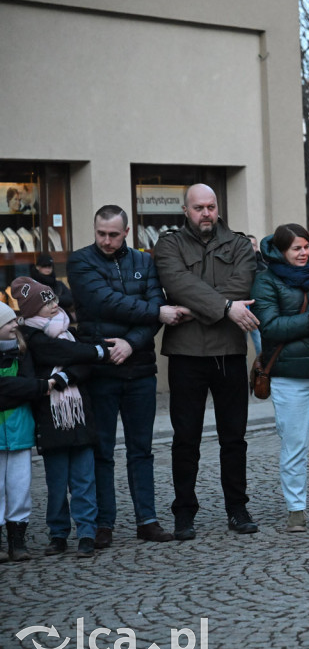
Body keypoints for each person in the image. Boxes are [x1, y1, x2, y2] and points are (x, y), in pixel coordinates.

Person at [67, 204, 187, 548]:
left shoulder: (144, 262)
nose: (106, 240)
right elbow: (104, 302)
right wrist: (156, 311)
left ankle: (146, 520)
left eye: (113, 234)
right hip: (100, 369)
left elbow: (150, 316)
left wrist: (131, 344)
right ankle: (104, 522)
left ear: (126, 232)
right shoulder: (80, 261)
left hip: (139, 369)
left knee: (141, 450)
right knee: (102, 450)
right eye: (101, 233)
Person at [153, 183, 259, 540]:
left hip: (229, 352)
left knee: (234, 438)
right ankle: (184, 512)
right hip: (186, 354)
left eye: (211, 206)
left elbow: (242, 284)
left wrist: (196, 307)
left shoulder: (241, 244)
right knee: (185, 439)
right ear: (186, 210)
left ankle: (237, 508)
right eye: (198, 208)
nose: (206, 213)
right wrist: (226, 308)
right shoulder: (169, 244)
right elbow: (176, 283)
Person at [252, 223, 309, 533]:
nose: (303, 252)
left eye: (305, 246)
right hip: (289, 376)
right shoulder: (265, 282)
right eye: (296, 248)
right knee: (293, 445)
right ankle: (296, 509)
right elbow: (271, 327)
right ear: (281, 251)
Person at [14, 277, 110, 558]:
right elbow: (67, 354)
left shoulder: (70, 332)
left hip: (79, 415)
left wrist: (63, 376)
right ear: (32, 311)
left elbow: (83, 364)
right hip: (50, 418)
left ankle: (87, 533)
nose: (55, 305)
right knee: (56, 484)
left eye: (54, 299)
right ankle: (58, 535)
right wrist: (94, 354)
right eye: (47, 303)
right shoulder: (31, 339)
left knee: (84, 478)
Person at [0, 302, 48, 562]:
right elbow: (29, 387)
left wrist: (12, 389)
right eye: (8, 323)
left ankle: (17, 541)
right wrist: (20, 389)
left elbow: (30, 385)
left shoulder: (22, 351)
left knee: (19, 487)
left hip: (20, 430)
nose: (14, 325)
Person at [30, 254, 75, 319]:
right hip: (41, 320)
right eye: (44, 266)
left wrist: (53, 298)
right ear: (37, 267)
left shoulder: (58, 284)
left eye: (50, 266)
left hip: (61, 318)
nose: (47, 268)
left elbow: (70, 300)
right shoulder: (33, 284)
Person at [246, 234, 267, 356]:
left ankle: (263, 374)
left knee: (260, 345)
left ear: (257, 248)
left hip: (256, 311)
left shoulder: (263, 266)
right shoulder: (234, 264)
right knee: (239, 348)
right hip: (239, 310)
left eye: (252, 245)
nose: (250, 248)